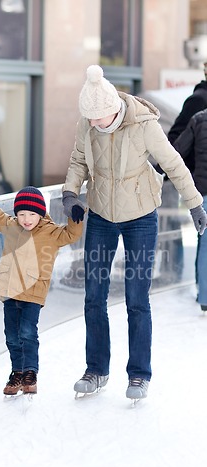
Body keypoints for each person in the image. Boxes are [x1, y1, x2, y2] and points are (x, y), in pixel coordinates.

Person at [62, 65, 207, 401]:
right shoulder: (88, 123)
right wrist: (71, 193)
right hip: (100, 215)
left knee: (136, 299)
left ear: (113, 108)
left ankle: (139, 374)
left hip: (140, 218)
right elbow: (78, 161)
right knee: (93, 296)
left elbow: (173, 163)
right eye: (92, 120)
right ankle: (96, 369)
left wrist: (195, 204)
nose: (96, 125)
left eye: (100, 119)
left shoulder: (144, 125)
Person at [0, 186, 84, 396]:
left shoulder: (51, 232)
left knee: (27, 333)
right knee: (11, 336)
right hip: (10, 291)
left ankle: (30, 373)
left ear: (41, 214)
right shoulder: (11, 227)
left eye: (32, 214)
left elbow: (72, 235)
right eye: (21, 214)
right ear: (16, 214)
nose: (26, 219)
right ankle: (17, 372)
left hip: (33, 292)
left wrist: (75, 216)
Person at [173, 108, 207, 312]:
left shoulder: (199, 119)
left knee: (205, 244)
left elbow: (176, 152)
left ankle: (204, 296)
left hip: (202, 191)